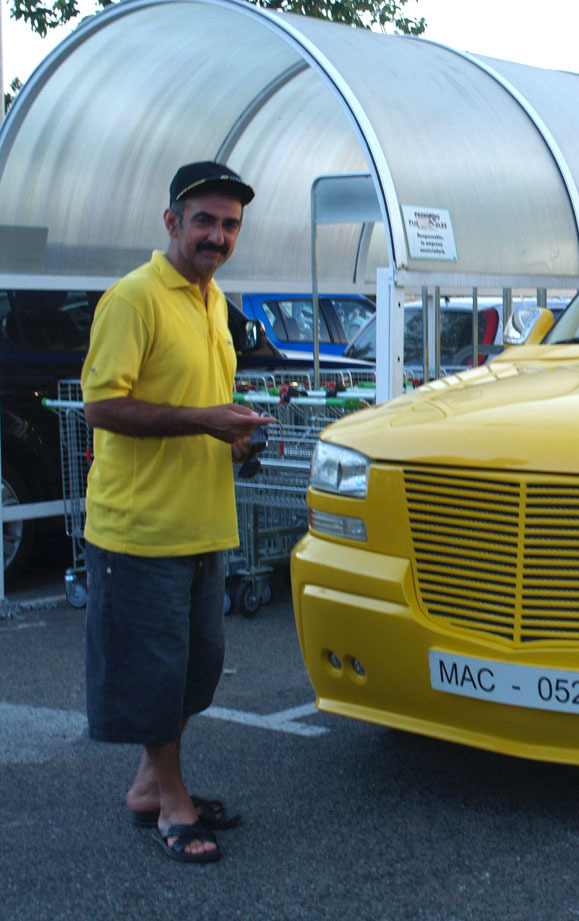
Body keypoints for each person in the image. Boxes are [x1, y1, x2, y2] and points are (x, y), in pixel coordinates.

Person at [80, 161, 274, 864]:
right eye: (204, 221)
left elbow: (199, 406)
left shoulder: (212, 300)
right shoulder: (134, 299)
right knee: (154, 676)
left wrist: (234, 434)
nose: (217, 236)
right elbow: (102, 404)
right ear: (172, 222)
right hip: (140, 529)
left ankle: (146, 785)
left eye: (229, 225)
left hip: (201, 521)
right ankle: (173, 803)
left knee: (197, 673)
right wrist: (203, 421)